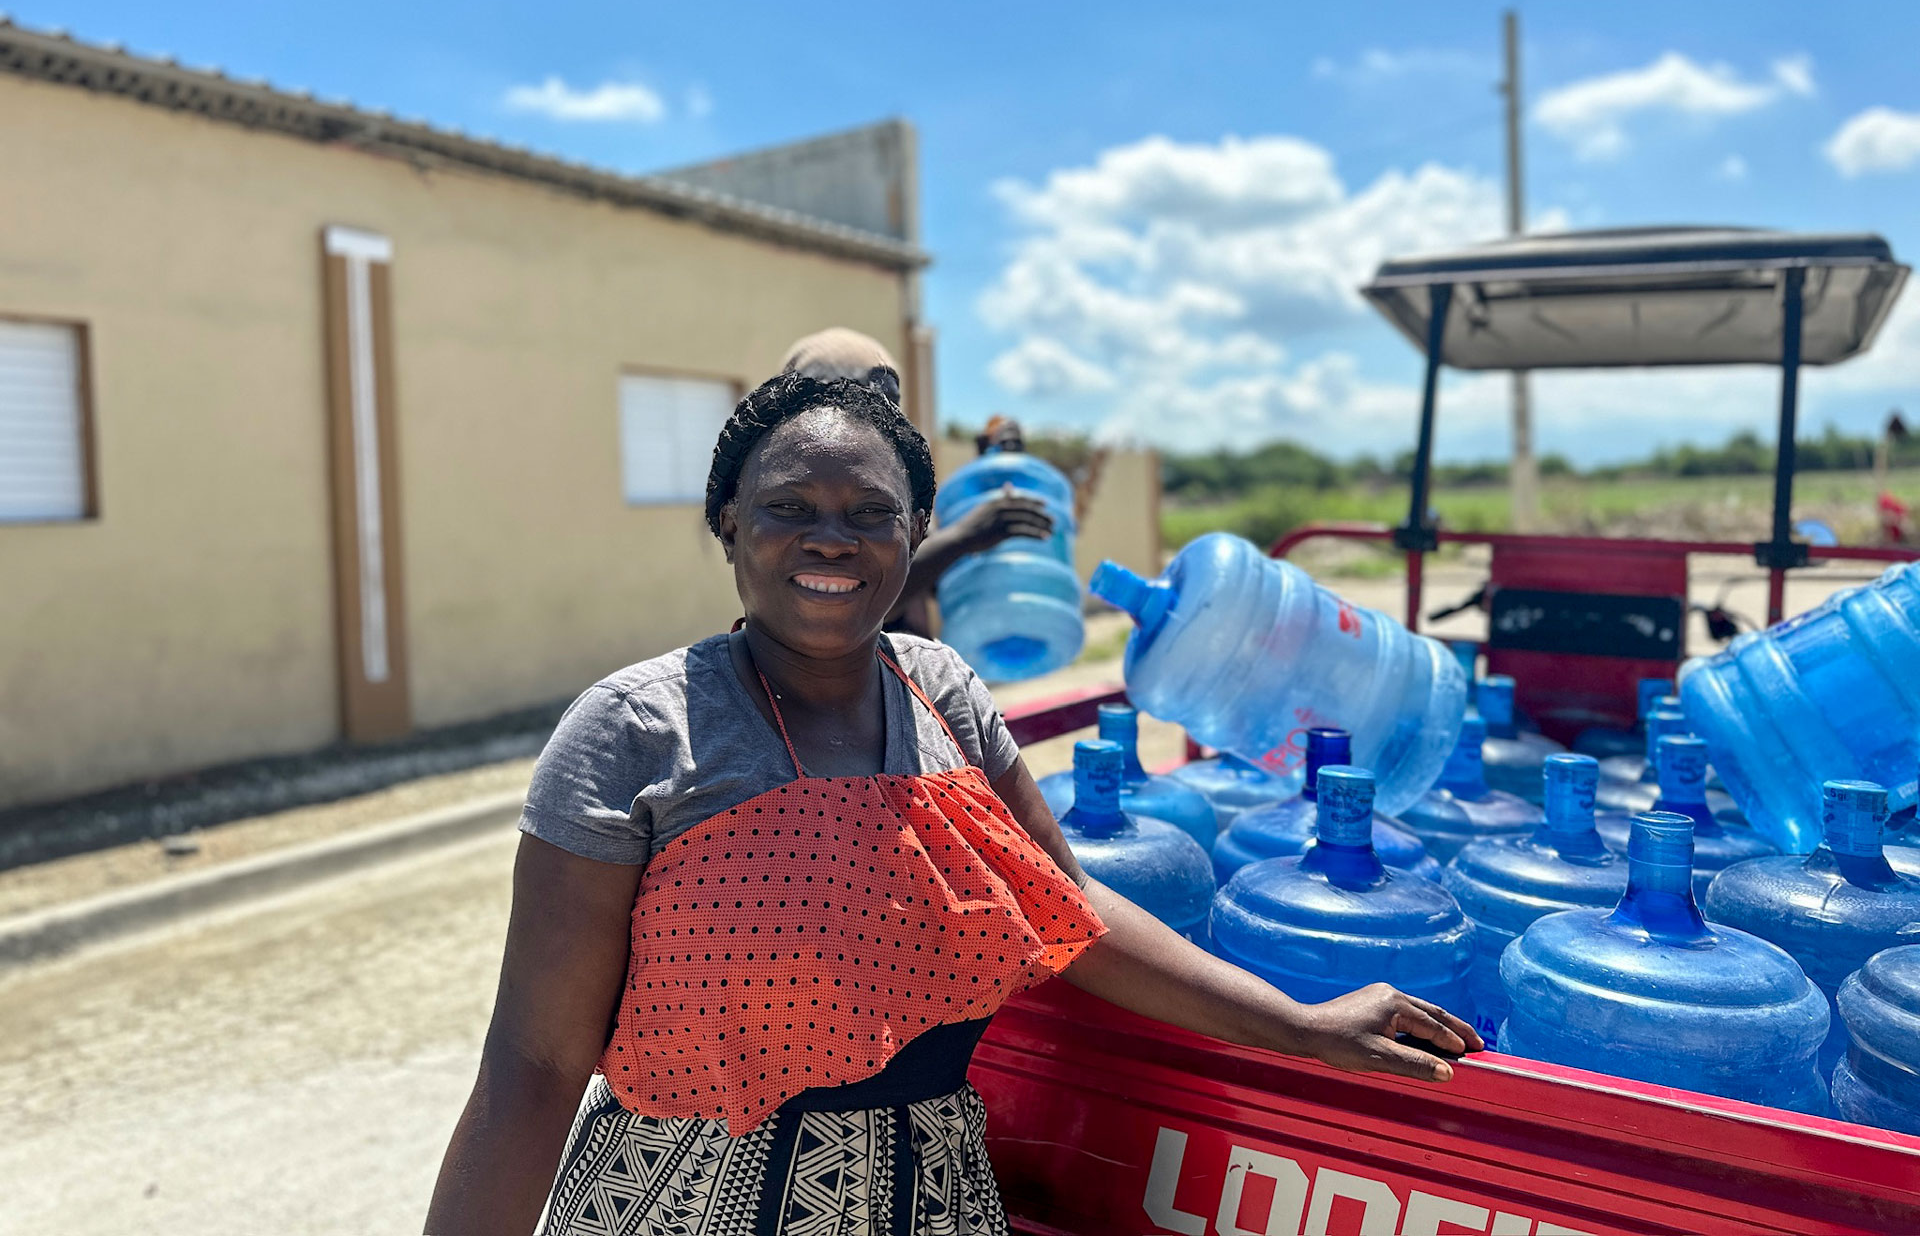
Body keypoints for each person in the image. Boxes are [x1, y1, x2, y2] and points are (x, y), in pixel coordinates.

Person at [426, 374, 1479, 1235]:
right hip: (686, 1200)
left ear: (917, 529)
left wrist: (1296, 1023)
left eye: (870, 513)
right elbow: (535, 1059)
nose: (830, 539)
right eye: (789, 506)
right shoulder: (632, 731)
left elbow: (1068, 911)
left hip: (926, 1195)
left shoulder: (945, 697)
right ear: (728, 523)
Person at [781, 328, 1053, 637]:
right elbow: (866, 604)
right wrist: (964, 536)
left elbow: (935, 582)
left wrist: (992, 474)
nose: (886, 419)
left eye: (892, 403)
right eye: (864, 400)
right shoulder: (789, 501)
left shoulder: (893, 488)